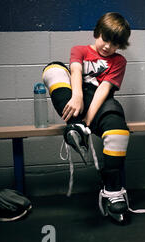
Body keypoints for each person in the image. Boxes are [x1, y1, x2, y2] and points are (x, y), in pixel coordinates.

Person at [42, 12, 132, 224]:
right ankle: (74, 126)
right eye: (106, 39)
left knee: (119, 130)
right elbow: (74, 72)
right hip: (74, 97)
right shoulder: (79, 50)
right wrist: (77, 96)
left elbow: (103, 90)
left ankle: (112, 191)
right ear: (98, 32)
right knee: (53, 68)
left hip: (100, 105)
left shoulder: (119, 61)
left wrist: (88, 123)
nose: (108, 46)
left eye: (115, 44)